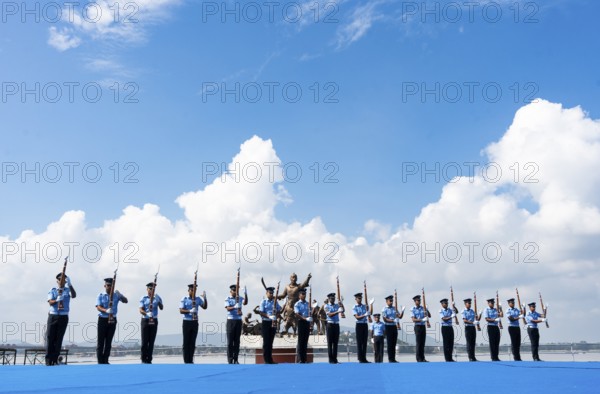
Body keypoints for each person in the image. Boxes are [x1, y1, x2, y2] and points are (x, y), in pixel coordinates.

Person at [45, 273, 76, 366]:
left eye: (63, 280)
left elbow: (74, 295)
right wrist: (56, 300)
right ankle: (48, 360)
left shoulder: (67, 290)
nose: (61, 281)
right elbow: (50, 302)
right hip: (53, 315)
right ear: (57, 281)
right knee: (50, 337)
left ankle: (55, 359)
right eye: (60, 280)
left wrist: (70, 285)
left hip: (63, 316)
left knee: (59, 339)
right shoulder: (53, 290)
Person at [96, 277, 128, 364]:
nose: (109, 287)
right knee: (101, 341)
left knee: (109, 341)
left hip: (113, 319)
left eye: (111, 285)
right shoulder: (100, 295)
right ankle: (100, 360)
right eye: (108, 285)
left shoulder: (116, 295)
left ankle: (106, 360)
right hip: (103, 319)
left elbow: (126, 301)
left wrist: (120, 295)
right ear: (105, 286)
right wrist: (105, 310)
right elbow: (98, 307)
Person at [179, 283, 207, 364]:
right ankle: (186, 360)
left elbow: (204, 307)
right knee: (186, 342)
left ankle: (190, 360)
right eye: (191, 290)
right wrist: (189, 311)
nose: (193, 291)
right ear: (188, 291)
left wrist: (205, 298)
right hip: (186, 321)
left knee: (192, 342)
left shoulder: (198, 299)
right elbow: (181, 310)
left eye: (194, 290)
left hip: (194, 322)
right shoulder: (184, 299)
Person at [138, 282, 163, 364]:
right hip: (145, 319)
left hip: (154, 320)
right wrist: (146, 313)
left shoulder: (157, 297)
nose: (151, 290)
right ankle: (143, 358)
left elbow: (161, 307)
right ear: (147, 289)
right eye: (150, 289)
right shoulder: (143, 298)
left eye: (153, 289)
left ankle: (149, 359)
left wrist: (158, 300)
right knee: (144, 341)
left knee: (151, 341)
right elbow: (141, 310)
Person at [258, 287, 281, 364]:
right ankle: (266, 359)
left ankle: (270, 359)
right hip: (266, 322)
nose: (271, 294)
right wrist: (269, 316)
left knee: (271, 342)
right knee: (266, 342)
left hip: (273, 322)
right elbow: (261, 312)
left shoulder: (275, 302)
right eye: (270, 293)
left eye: (272, 293)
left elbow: (279, 310)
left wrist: (276, 316)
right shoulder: (263, 302)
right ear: (266, 293)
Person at [224, 284, 247, 364]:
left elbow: (245, 302)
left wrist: (245, 294)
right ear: (231, 291)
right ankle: (230, 359)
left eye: (236, 290)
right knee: (230, 341)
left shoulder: (240, 298)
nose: (235, 292)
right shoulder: (228, 298)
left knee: (237, 341)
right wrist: (234, 307)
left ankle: (236, 359)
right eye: (234, 291)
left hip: (238, 320)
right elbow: (227, 308)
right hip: (230, 321)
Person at [324, 292, 343, 364]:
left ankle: (335, 359)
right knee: (330, 343)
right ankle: (330, 359)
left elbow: (342, 310)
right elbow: (329, 314)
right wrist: (337, 311)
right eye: (331, 298)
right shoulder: (326, 306)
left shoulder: (336, 305)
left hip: (336, 325)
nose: (333, 299)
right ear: (329, 299)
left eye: (334, 298)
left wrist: (341, 304)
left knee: (335, 343)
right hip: (330, 324)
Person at [381, 295, 401, 363]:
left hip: (394, 327)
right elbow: (385, 319)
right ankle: (390, 359)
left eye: (392, 300)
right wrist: (393, 321)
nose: (391, 302)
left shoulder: (394, 308)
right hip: (388, 327)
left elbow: (399, 316)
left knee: (394, 343)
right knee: (390, 343)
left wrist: (402, 312)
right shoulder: (384, 309)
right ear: (386, 301)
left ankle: (393, 358)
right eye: (390, 301)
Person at [294, 288, 311, 363]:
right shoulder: (297, 304)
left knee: (305, 341)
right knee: (300, 341)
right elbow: (297, 314)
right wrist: (305, 319)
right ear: (299, 295)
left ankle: (304, 358)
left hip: (307, 323)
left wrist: (310, 317)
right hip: (301, 322)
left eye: (305, 294)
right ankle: (300, 358)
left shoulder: (308, 304)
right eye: (303, 294)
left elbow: (310, 313)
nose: (304, 295)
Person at [411, 295, 430, 362]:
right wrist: (421, 320)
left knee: (423, 343)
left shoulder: (423, 308)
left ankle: (423, 358)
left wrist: (427, 309)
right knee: (418, 343)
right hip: (417, 326)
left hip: (423, 326)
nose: (419, 301)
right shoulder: (413, 309)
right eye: (418, 300)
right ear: (415, 301)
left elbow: (429, 316)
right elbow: (413, 319)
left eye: (420, 300)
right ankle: (418, 358)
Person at [352, 292, 370, 363]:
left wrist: (370, 306)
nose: (360, 299)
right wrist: (364, 315)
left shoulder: (364, 306)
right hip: (359, 325)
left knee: (364, 342)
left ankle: (364, 358)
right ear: (356, 299)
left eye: (361, 298)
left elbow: (369, 312)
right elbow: (357, 317)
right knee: (359, 342)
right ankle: (360, 358)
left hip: (365, 324)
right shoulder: (354, 307)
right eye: (359, 298)